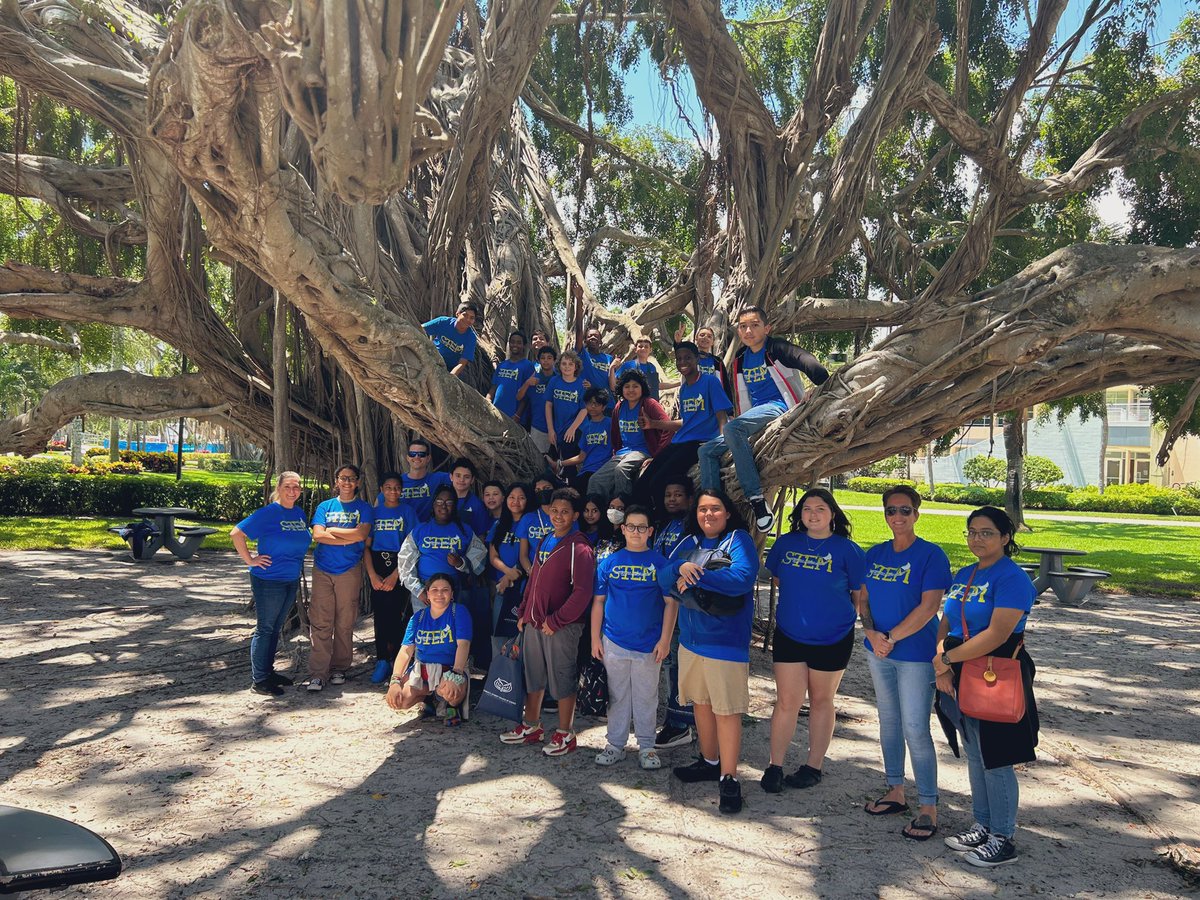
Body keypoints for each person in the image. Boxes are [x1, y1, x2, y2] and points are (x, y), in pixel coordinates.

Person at [934, 507, 1038, 868]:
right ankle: (983, 824)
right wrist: (941, 664)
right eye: (972, 532)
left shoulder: (1013, 579)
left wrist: (947, 660)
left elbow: (997, 634)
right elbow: (945, 622)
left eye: (987, 533)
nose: (977, 539)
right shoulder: (965, 573)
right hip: (960, 669)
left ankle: (1004, 837)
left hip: (997, 672)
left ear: (1006, 538)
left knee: (997, 760)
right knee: (976, 754)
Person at [658, 488, 759, 815]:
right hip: (691, 641)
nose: (708, 515)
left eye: (715, 509)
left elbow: (742, 578)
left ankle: (729, 777)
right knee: (701, 704)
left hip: (725, 642)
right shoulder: (689, 544)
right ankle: (709, 760)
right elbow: (663, 578)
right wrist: (679, 571)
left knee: (726, 710)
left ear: (727, 513)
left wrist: (696, 577)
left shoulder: (738, 540)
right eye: (702, 509)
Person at [861, 485, 951, 840]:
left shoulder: (931, 555)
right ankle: (895, 790)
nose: (897, 517)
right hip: (878, 651)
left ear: (916, 513)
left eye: (904, 510)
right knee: (889, 722)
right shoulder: (875, 553)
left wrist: (892, 638)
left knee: (915, 727)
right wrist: (870, 634)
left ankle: (928, 805)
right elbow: (863, 598)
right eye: (890, 511)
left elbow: (929, 607)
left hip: (914, 655)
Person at [761, 488, 866, 793]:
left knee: (821, 701)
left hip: (833, 637)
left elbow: (860, 595)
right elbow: (779, 578)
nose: (813, 514)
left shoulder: (848, 550)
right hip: (790, 635)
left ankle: (813, 766)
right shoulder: (786, 544)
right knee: (787, 702)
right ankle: (774, 765)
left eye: (821, 508)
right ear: (800, 514)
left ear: (833, 514)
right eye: (807, 508)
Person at [698, 306, 829, 533]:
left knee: (732, 429)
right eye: (743, 326)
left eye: (755, 325)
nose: (748, 330)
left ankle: (756, 500)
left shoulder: (775, 348)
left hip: (780, 408)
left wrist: (820, 386)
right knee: (706, 451)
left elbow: (806, 360)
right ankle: (714, 503)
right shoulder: (739, 358)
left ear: (766, 328)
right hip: (754, 415)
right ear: (738, 331)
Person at [500, 488, 595, 756]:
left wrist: (556, 620)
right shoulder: (545, 539)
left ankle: (566, 732)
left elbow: (582, 592)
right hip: (534, 621)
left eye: (565, 512)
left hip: (561, 626)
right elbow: (533, 581)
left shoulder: (580, 547)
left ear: (576, 515)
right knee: (534, 675)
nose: (559, 516)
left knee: (563, 676)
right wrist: (523, 613)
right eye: (555, 511)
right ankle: (532, 725)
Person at [591, 505, 676, 770]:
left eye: (642, 527)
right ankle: (615, 744)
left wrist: (665, 640)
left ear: (650, 531)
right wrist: (595, 638)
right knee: (617, 695)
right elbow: (598, 603)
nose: (636, 532)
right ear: (623, 529)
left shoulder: (661, 564)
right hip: (613, 641)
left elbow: (671, 604)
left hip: (649, 644)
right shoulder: (609, 562)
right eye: (631, 527)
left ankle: (647, 746)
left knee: (646, 695)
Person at [230, 471, 311, 697]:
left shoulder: (298, 514)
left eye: (297, 486)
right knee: (265, 627)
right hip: (268, 579)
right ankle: (260, 680)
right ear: (279, 487)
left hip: (290, 577)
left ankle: (268, 672)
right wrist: (250, 560)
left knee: (275, 628)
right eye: (288, 486)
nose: (293, 491)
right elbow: (236, 533)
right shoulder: (268, 513)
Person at [638, 342, 732, 518]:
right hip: (679, 442)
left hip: (698, 443)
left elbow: (721, 415)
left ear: (697, 358)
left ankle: (663, 524)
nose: (683, 361)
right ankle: (644, 526)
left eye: (688, 357)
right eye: (679, 358)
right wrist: (654, 424)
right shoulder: (684, 389)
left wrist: (722, 442)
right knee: (643, 483)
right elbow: (687, 422)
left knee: (659, 483)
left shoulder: (710, 381)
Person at [308, 464, 373, 692]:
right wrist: (348, 537)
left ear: (357, 482)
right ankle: (318, 673)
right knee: (321, 621)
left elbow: (362, 534)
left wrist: (332, 532)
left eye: (351, 479)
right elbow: (317, 535)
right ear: (336, 481)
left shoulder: (364, 508)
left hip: (349, 569)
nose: (347, 482)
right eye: (342, 478)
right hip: (323, 569)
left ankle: (339, 668)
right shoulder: (325, 506)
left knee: (345, 621)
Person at [384, 573, 472, 726]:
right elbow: (405, 651)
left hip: (450, 669)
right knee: (400, 702)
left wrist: (456, 673)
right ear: (428, 594)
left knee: (450, 691)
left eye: (445, 590)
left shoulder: (458, 612)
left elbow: (463, 644)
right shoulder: (418, 617)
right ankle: (429, 699)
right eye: (434, 590)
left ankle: (452, 706)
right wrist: (395, 681)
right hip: (423, 670)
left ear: (452, 594)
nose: (439, 594)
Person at [652, 477, 696, 749]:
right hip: (662, 602)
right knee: (669, 663)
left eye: (678, 494)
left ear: (690, 499)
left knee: (678, 664)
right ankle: (675, 717)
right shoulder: (666, 525)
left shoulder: (691, 530)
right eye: (668, 494)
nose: (672, 499)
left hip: (681, 603)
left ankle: (680, 724)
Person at [397, 485, 487, 614]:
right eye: (439, 501)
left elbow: (480, 556)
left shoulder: (464, 530)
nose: (443, 506)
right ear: (433, 504)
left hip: (455, 591)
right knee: (426, 631)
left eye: (449, 502)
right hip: (425, 592)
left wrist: (460, 563)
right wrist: (418, 590)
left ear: (455, 506)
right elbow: (404, 562)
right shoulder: (420, 530)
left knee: (452, 630)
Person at [364, 471, 418, 685]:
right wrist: (372, 575)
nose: (393, 491)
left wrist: (397, 574)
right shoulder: (373, 513)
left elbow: (412, 546)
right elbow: (366, 547)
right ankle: (382, 660)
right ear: (381, 490)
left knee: (399, 614)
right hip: (377, 564)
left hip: (400, 564)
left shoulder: (408, 512)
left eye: (397, 487)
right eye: (388, 487)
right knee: (381, 615)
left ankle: (398, 661)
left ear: (401, 490)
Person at [588, 370, 669, 502]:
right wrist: (615, 452)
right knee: (596, 480)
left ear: (642, 387)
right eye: (627, 386)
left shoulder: (649, 404)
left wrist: (657, 456)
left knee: (622, 469)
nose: (631, 390)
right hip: (622, 453)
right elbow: (615, 434)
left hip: (643, 451)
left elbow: (668, 427)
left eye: (635, 386)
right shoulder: (619, 407)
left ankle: (623, 507)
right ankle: (597, 512)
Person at [488, 483, 530, 650]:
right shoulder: (499, 525)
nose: (516, 502)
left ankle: (519, 675)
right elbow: (493, 557)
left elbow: (530, 555)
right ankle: (498, 672)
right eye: (512, 497)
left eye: (521, 498)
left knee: (521, 635)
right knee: (498, 633)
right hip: (502, 588)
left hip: (524, 587)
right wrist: (507, 572)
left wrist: (511, 576)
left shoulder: (531, 524)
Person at [555, 387, 612, 495]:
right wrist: (560, 463)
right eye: (590, 403)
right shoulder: (586, 428)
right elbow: (582, 457)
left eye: (597, 403)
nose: (593, 406)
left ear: (604, 407)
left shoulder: (610, 424)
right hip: (586, 471)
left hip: (603, 470)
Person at [545, 349, 588, 471]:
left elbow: (584, 410)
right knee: (555, 458)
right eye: (564, 363)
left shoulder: (581, 384)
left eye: (571, 364)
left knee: (569, 462)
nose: (567, 367)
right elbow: (548, 405)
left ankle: (571, 487)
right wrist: (550, 429)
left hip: (576, 428)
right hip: (558, 427)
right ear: (559, 365)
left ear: (576, 367)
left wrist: (572, 429)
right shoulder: (554, 381)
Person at [488, 331, 536, 420]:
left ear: (524, 345)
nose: (515, 345)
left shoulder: (528, 366)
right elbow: (494, 386)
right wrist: (488, 400)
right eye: (512, 342)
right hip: (496, 411)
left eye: (519, 343)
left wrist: (518, 414)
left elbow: (527, 394)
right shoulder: (502, 365)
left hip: (513, 415)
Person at [423, 302, 480, 377]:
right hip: (430, 357)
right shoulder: (443, 322)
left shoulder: (471, 338)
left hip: (447, 369)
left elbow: (462, 362)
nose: (468, 320)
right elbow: (420, 329)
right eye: (465, 315)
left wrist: (451, 377)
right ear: (457, 314)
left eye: (472, 318)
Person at [401, 438, 451, 521]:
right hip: (403, 531)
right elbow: (380, 501)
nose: (417, 457)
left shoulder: (439, 479)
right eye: (412, 454)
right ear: (407, 458)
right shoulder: (397, 482)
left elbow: (460, 478)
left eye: (421, 454)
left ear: (428, 458)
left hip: (429, 531)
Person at [516, 475, 558, 576]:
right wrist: (531, 572)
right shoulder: (528, 518)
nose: (542, 492)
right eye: (538, 490)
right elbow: (523, 555)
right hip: (535, 575)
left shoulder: (565, 516)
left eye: (547, 488)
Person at [521, 346, 558, 453]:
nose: (546, 361)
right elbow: (519, 397)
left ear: (554, 360)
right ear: (538, 360)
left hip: (558, 427)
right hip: (538, 426)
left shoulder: (559, 379)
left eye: (549, 358)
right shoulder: (534, 378)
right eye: (543, 358)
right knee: (539, 459)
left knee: (558, 462)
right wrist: (527, 383)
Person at [449, 457, 490, 537]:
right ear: (451, 477)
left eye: (466, 477)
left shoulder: (477, 505)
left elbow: (481, 535)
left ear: (472, 480)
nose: (461, 480)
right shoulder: (441, 500)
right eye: (458, 475)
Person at [577, 327, 614, 395]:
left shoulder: (609, 359)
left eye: (596, 336)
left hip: (607, 401)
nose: (593, 337)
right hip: (588, 399)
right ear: (585, 341)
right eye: (589, 336)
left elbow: (613, 385)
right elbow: (579, 330)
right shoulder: (582, 355)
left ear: (600, 341)